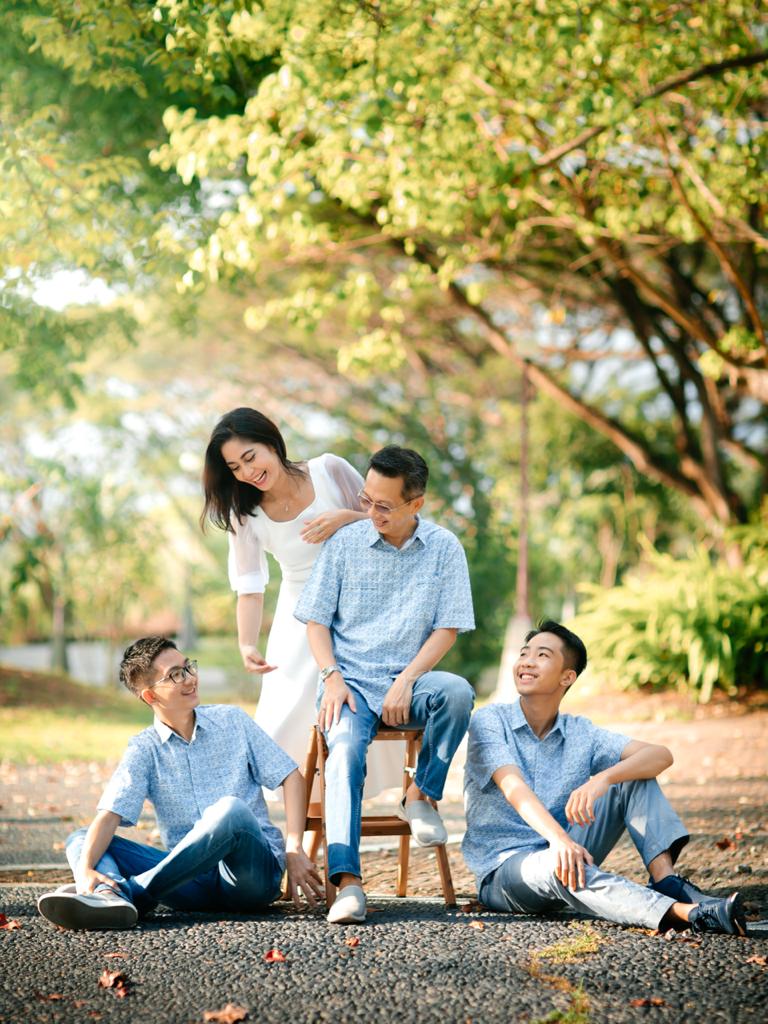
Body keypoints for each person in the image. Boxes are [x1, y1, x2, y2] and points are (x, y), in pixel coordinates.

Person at [462, 621, 747, 936]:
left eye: (542, 655)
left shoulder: (580, 732)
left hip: (568, 849)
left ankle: (666, 881)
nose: (527, 662)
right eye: (524, 653)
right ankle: (690, 914)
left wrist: (605, 778)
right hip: (505, 871)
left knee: (633, 776)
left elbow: (660, 755)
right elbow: (513, 788)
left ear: (567, 677)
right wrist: (560, 841)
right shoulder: (489, 721)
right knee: (559, 864)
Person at [294, 444, 476, 924]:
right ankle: (348, 882)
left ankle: (419, 796)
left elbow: (448, 628)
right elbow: (316, 622)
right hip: (349, 683)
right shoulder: (344, 544)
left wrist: (408, 679)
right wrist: (331, 677)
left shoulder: (445, 548)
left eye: (383, 505)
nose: (370, 512)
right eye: (366, 500)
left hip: (410, 682)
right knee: (344, 754)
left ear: (416, 504)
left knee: (458, 693)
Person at [37, 636, 323, 930]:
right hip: (188, 885)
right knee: (82, 839)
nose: (190, 678)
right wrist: (85, 870)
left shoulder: (232, 721)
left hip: (250, 879)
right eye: (175, 675)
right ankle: (105, 895)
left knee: (231, 811)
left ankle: (130, 893)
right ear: (150, 696)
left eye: (188, 667)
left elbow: (291, 776)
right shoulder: (144, 749)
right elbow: (109, 815)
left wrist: (293, 847)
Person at [201, 407, 402, 796]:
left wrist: (345, 518)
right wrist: (246, 644)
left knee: (358, 708)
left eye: (250, 457)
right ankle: (301, 813)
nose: (248, 472)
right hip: (300, 618)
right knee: (288, 720)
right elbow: (250, 586)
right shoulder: (246, 515)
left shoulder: (329, 470)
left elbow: (389, 523)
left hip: (359, 608)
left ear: (271, 442)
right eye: (235, 467)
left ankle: (352, 796)